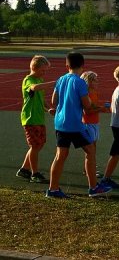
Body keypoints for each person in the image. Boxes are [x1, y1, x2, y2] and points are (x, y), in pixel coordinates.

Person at [47, 52, 110, 198]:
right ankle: (93, 187)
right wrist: (97, 106)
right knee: (90, 150)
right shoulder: (80, 82)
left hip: (60, 123)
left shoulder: (60, 79)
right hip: (75, 124)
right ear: (83, 65)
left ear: (67, 65)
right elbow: (87, 105)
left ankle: (53, 189)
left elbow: (54, 101)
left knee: (60, 156)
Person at [18, 55, 54, 184]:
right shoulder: (28, 80)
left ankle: (24, 169)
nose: (44, 73)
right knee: (35, 146)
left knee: (39, 144)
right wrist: (54, 83)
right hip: (30, 118)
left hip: (39, 118)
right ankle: (34, 173)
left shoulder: (39, 80)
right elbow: (33, 88)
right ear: (34, 68)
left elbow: (41, 99)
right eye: (42, 70)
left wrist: (49, 108)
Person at [81, 71, 109, 165]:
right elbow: (87, 111)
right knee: (90, 150)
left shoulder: (95, 93)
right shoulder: (86, 94)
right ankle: (88, 169)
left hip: (95, 122)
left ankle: (90, 167)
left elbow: (93, 106)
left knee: (93, 148)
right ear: (88, 81)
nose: (97, 82)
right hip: (88, 123)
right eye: (95, 81)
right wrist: (101, 109)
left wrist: (101, 108)